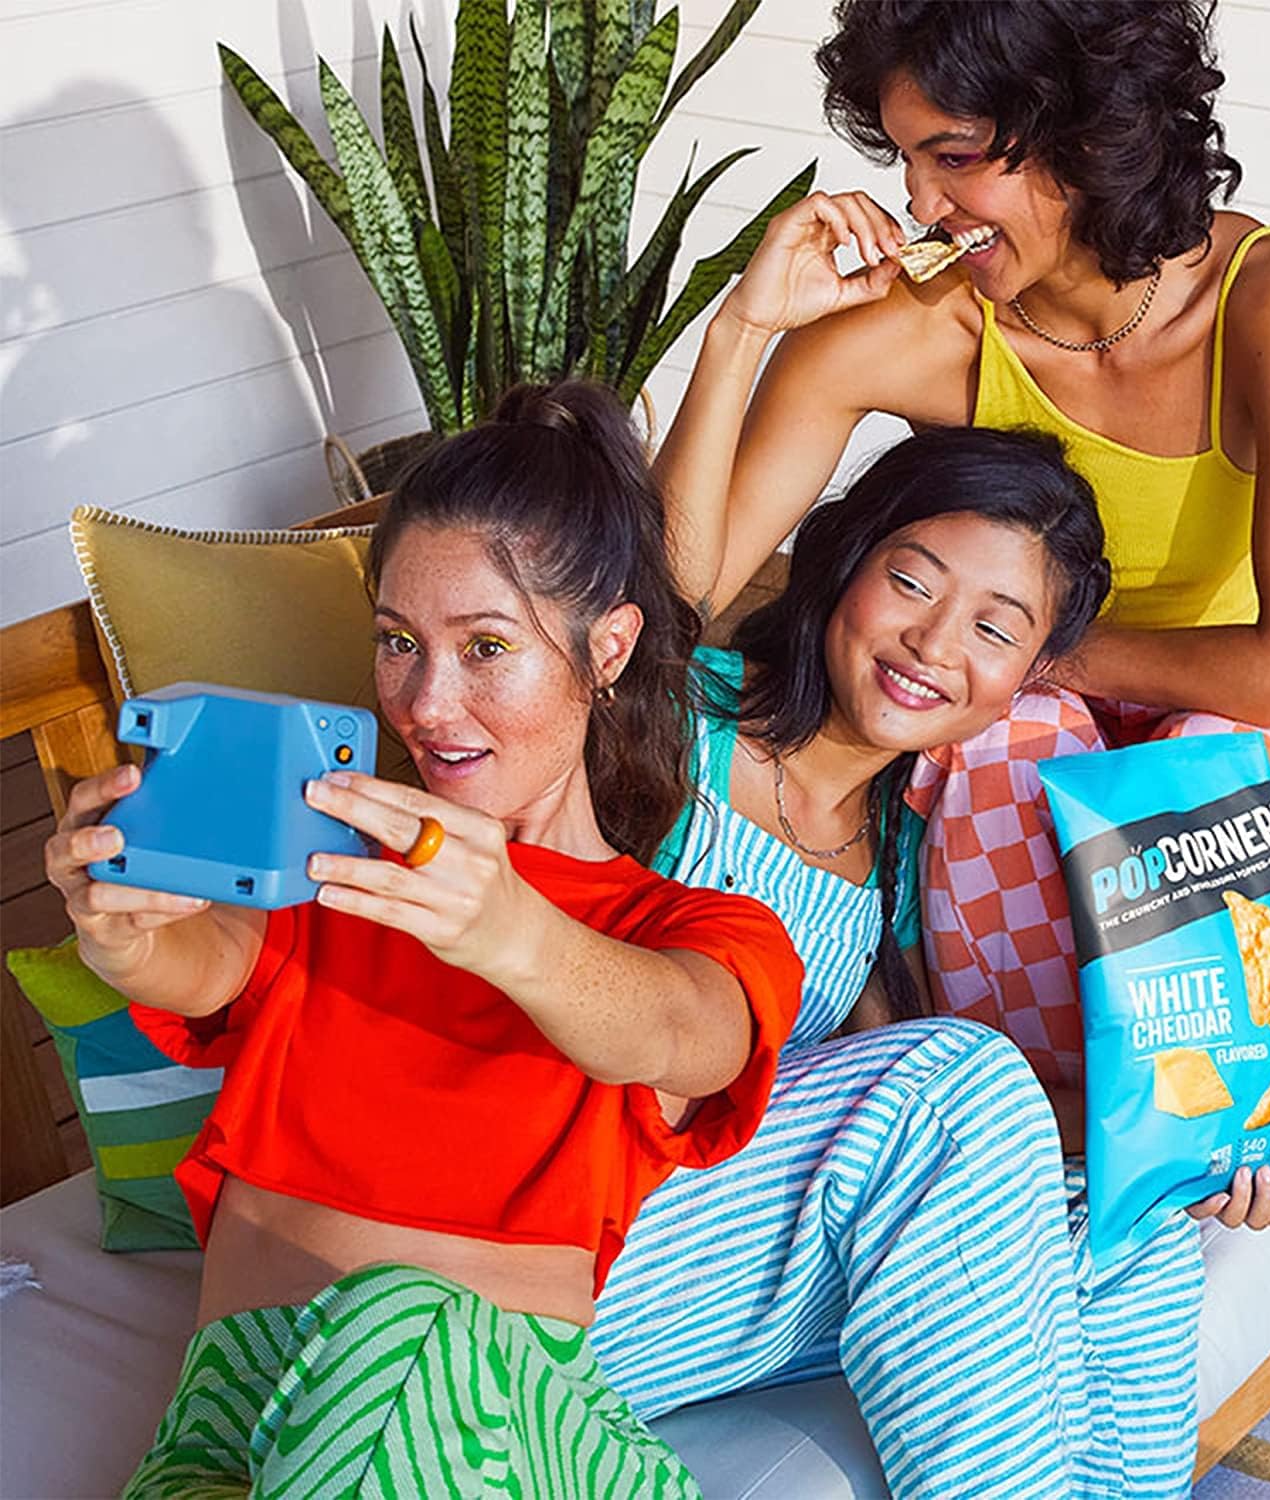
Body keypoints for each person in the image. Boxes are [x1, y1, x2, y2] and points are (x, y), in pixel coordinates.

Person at [43, 382, 804, 1498]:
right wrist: (114, 929)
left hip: (497, 1424)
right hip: (230, 1421)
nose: (426, 704)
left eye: (486, 646)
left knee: (395, 1322)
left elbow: (686, 1034)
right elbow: (200, 963)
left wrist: (510, 930)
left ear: (607, 648)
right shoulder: (325, 863)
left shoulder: (683, 929)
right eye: (398, 642)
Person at [660, 0, 1270, 1095]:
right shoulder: (914, 328)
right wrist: (741, 329)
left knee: (1188, 771)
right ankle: (1030, 1130)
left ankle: (1207, 1126)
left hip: (1246, 704)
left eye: (952, 159)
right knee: (1005, 747)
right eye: (906, 159)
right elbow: (668, 600)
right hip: (1022, 693)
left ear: (1086, 136)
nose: (918, 202)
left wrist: (1017, 651)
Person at [587, 428, 1213, 1498]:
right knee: (956, 1072)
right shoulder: (671, 723)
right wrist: (737, 343)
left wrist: (1194, 1141)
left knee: (1124, 1218)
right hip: (586, 1231)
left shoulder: (904, 839)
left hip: (732, 1252)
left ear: (1024, 678)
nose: (932, 642)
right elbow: (927, 1097)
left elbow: (894, 1118)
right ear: (844, 559)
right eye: (912, 582)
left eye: (993, 629)